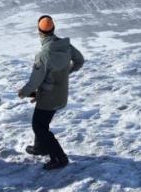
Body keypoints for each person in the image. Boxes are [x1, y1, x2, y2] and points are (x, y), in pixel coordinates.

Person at [18, 15, 85, 170]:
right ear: (53, 29)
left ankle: (60, 158)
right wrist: (66, 72)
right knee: (42, 122)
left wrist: (24, 91)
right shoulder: (65, 46)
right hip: (61, 94)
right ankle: (40, 147)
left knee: (39, 126)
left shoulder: (43, 55)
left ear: (39, 32)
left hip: (48, 96)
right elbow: (80, 60)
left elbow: (36, 80)